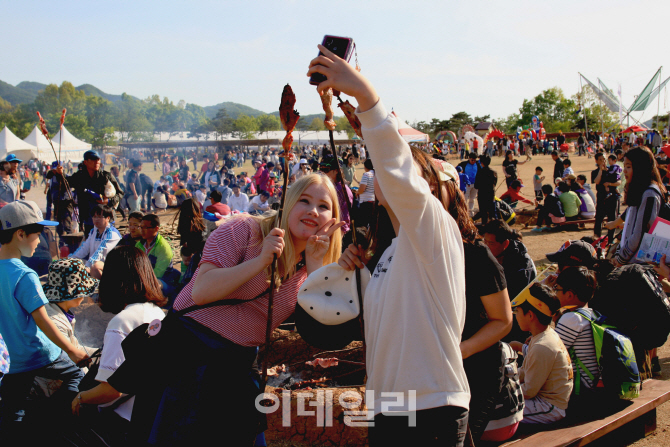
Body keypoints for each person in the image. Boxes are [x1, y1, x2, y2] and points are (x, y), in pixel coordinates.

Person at [312, 47, 469, 446]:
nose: (381, 171)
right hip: (387, 407)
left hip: (433, 406)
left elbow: (399, 173)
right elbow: (363, 324)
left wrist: (367, 98)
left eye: (400, 169)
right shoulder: (392, 254)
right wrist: (337, 267)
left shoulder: (437, 232)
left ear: (427, 188)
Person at [121, 174, 343, 445]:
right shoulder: (244, 230)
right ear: (288, 203)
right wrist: (261, 261)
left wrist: (317, 264)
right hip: (188, 358)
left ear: (333, 218)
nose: (313, 211)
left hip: (235, 368)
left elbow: (320, 331)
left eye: (324, 206)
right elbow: (202, 291)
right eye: (304, 200)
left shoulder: (312, 266)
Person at [0, 201, 87, 438]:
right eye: (37, 235)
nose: (40, 241)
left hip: (13, 359)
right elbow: (43, 320)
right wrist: (72, 350)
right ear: (20, 234)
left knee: (14, 407)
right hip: (40, 352)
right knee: (75, 375)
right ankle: (58, 424)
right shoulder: (24, 274)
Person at [70, 247, 167, 444]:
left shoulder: (122, 322)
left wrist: (80, 398)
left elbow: (112, 390)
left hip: (121, 423)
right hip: (151, 417)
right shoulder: (158, 314)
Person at [443, 179, 513, 442]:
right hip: (431, 368)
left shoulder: (475, 253)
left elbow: (503, 321)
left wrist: (462, 350)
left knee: (461, 438)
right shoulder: (409, 251)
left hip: (475, 367)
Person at [509, 284, 573, 424]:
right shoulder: (541, 336)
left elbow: (529, 391)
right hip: (541, 400)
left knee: (496, 413)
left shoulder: (542, 346)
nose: (516, 315)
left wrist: (505, 390)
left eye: (517, 311)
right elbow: (525, 372)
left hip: (549, 406)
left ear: (530, 315)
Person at [34, 258, 98, 397]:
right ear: (74, 292)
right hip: (51, 392)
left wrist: (99, 354)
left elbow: (75, 347)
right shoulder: (54, 321)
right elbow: (71, 361)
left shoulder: (57, 310)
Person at [482, 219, 536, 341]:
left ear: (505, 244)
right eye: (485, 241)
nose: (486, 247)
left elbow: (515, 301)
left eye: (491, 243)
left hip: (516, 322)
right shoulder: (486, 256)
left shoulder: (521, 266)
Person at [553, 266, 600, 400]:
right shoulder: (590, 313)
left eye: (557, 289)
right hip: (592, 384)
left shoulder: (571, 319)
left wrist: (518, 347)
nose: (554, 293)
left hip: (581, 390)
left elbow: (550, 354)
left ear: (569, 295)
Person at [49, 150, 123, 235]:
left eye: (98, 159)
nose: (97, 162)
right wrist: (60, 174)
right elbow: (66, 183)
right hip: (88, 219)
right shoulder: (79, 177)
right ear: (86, 162)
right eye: (93, 159)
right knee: (90, 244)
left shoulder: (106, 176)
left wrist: (109, 201)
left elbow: (120, 193)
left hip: (106, 218)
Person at [615, 147, 666, 266]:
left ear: (639, 168)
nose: (624, 171)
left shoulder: (649, 194)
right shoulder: (639, 191)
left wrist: (620, 258)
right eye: (624, 166)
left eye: (628, 166)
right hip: (631, 260)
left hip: (638, 264)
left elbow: (640, 233)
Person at [69, 205, 122, 279]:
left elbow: (100, 252)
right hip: (94, 263)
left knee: (94, 266)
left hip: (109, 267)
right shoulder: (93, 231)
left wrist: (87, 266)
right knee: (74, 263)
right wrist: (70, 259)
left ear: (108, 218)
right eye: (94, 216)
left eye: (99, 217)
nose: (96, 219)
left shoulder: (112, 234)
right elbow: (84, 248)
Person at [136, 214, 175, 291]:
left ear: (156, 229)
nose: (142, 230)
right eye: (141, 227)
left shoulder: (163, 247)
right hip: (143, 281)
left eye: (146, 227)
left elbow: (158, 274)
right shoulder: (139, 245)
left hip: (164, 282)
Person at [319, 155, 354, 234]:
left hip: (332, 235)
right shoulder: (320, 186)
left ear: (337, 171)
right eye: (320, 168)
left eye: (325, 169)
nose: (321, 172)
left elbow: (344, 222)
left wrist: (336, 243)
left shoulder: (344, 192)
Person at [474, 154, 497, 225]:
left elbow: (476, 185)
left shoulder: (480, 172)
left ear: (482, 163)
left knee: (483, 213)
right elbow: (494, 183)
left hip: (482, 195)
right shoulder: (494, 172)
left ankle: (485, 230)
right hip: (491, 195)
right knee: (492, 213)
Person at [357, 158, 376, 228]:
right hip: (373, 201)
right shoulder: (375, 174)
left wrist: (357, 192)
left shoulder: (366, 174)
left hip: (366, 202)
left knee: (363, 224)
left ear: (365, 167)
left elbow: (362, 189)